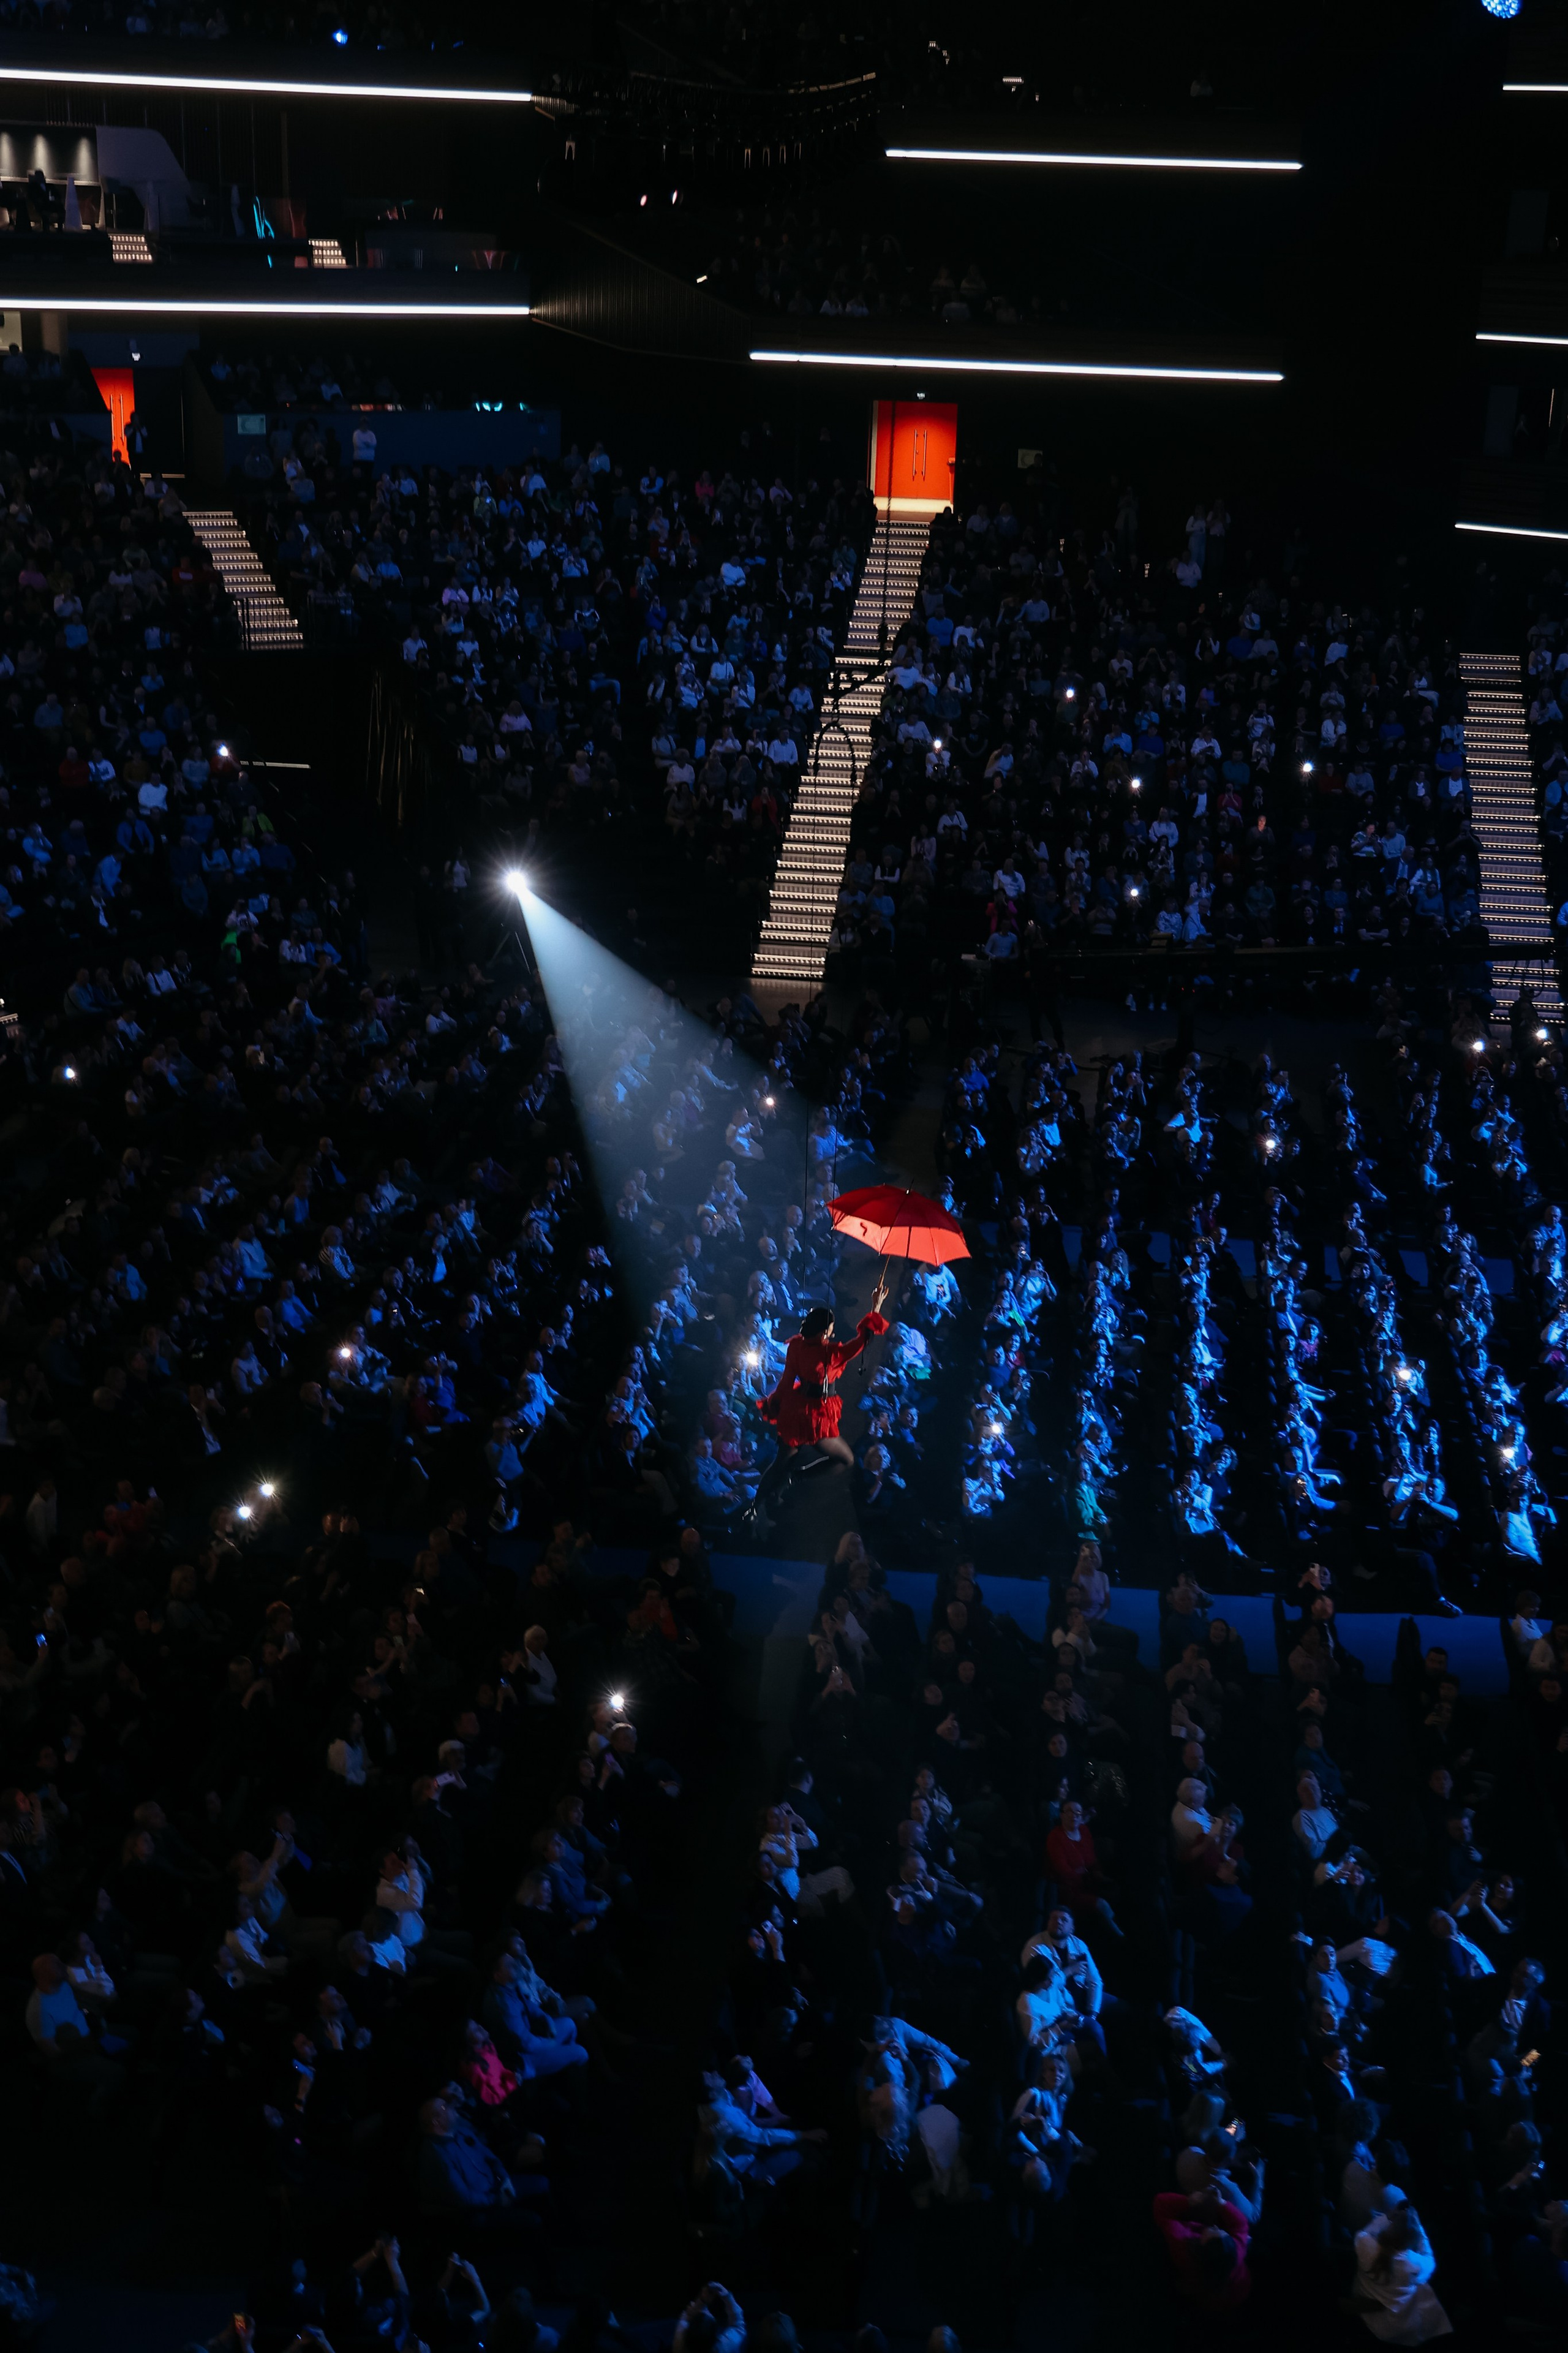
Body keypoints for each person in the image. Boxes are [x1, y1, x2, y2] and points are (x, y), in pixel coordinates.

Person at [745, 1279, 889, 1529]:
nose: (833, 1332)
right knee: (845, 1459)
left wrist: (774, 1402)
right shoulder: (833, 1353)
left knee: (782, 1460)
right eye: (831, 1328)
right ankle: (796, 1478)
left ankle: (756, 1508)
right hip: (816, 1415)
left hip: (796, 1408)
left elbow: (787, 1381)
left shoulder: (797, 1346)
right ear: (825, 1332)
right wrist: (875, 1307)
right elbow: (864, 1340)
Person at [1349, 2204, 1453, 2341]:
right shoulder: (1412, 2264)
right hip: (1390, 2325)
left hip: (1362, 2302)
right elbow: (1430, 2260)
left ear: (1390, 2228)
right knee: (1423, 2290)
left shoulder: (1365, 2245)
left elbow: (1364, 2233)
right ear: (1413, 2239)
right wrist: (1419, 2228)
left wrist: (1388, 2217)